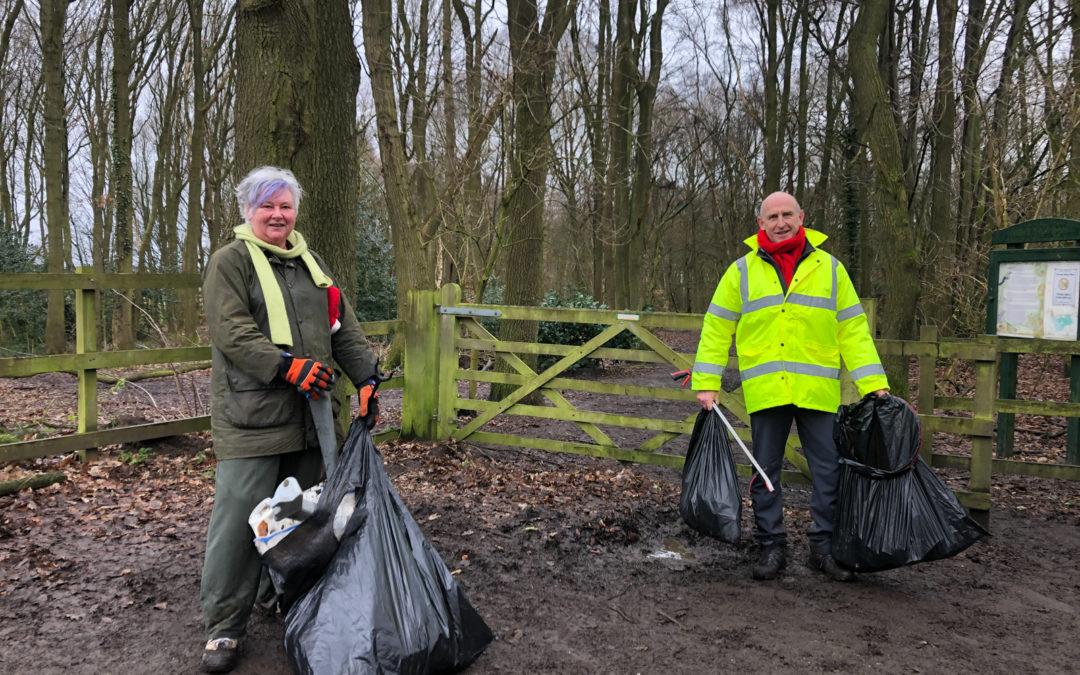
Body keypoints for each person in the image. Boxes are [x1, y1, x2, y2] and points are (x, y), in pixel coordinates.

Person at [199, 166, 381, 673]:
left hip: (311, 414)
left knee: (297, 515)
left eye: (286, 206)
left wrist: (367, 377)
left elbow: (341, 327)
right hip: (251, 418)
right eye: (267, 206)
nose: (277, 215)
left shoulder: (311, 264)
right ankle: (223, 629)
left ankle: (275, 594)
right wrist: (286, 366)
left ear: (296, 211)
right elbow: (231, 332)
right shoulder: (230, 262)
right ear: (248, 211)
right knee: (238, 521)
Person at [692, 191, 889, 583]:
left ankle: (824, 547)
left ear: (802, 217)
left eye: (787, 214)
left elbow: (854, 331)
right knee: (765, 472)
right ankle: (771, 545)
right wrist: (707, 383)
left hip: (818, 392)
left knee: (829, 472)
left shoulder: (831, 270)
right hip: (767, 391)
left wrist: (874, 384)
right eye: (772, 216)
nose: (780, 222)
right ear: (760, 224)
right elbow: (716, 328)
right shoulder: (741, 272)